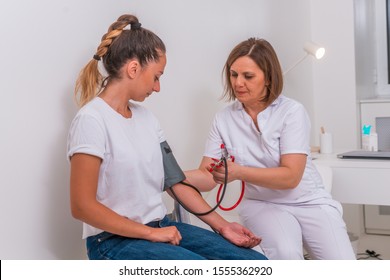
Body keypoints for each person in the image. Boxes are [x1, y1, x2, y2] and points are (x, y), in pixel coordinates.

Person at [67, 14, 267, 260]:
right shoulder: (91, 120)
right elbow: (81, 206)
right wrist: (148, 234)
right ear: (133, 69)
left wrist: (222, 225)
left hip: (159, 226)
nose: (157, 87)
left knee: (255, 262)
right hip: (112, 242)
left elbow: (175, 182)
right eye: (156, 76)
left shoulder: (147, 119)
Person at [185, 38, 356, 260]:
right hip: (263, 204)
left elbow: (290, 177)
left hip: (309, 201)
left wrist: (238, 172)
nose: (238, 83)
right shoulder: (224, 119)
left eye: (248, 76)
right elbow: (207, 177)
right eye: (234, 74)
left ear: (268, 77)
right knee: (285, 255)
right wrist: (168, 176)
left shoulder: (291, 112)